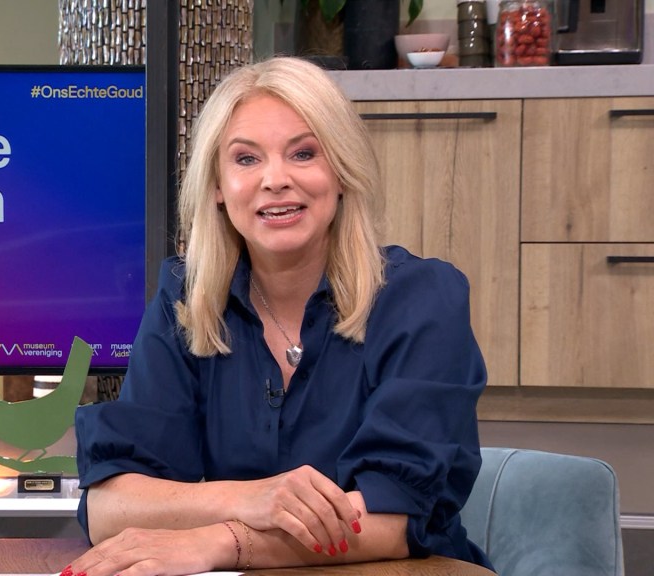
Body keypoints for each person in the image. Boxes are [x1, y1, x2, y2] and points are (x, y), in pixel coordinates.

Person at [68, 56, 492, 576]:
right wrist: (248, 498)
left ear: (341, 171)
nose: (275, 180)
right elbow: (109, 508)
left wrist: (223, 541)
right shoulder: (188, 300)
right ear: (218, 186)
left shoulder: (422, 299)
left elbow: (392, 518)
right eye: (246, 159)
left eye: (303, 153)